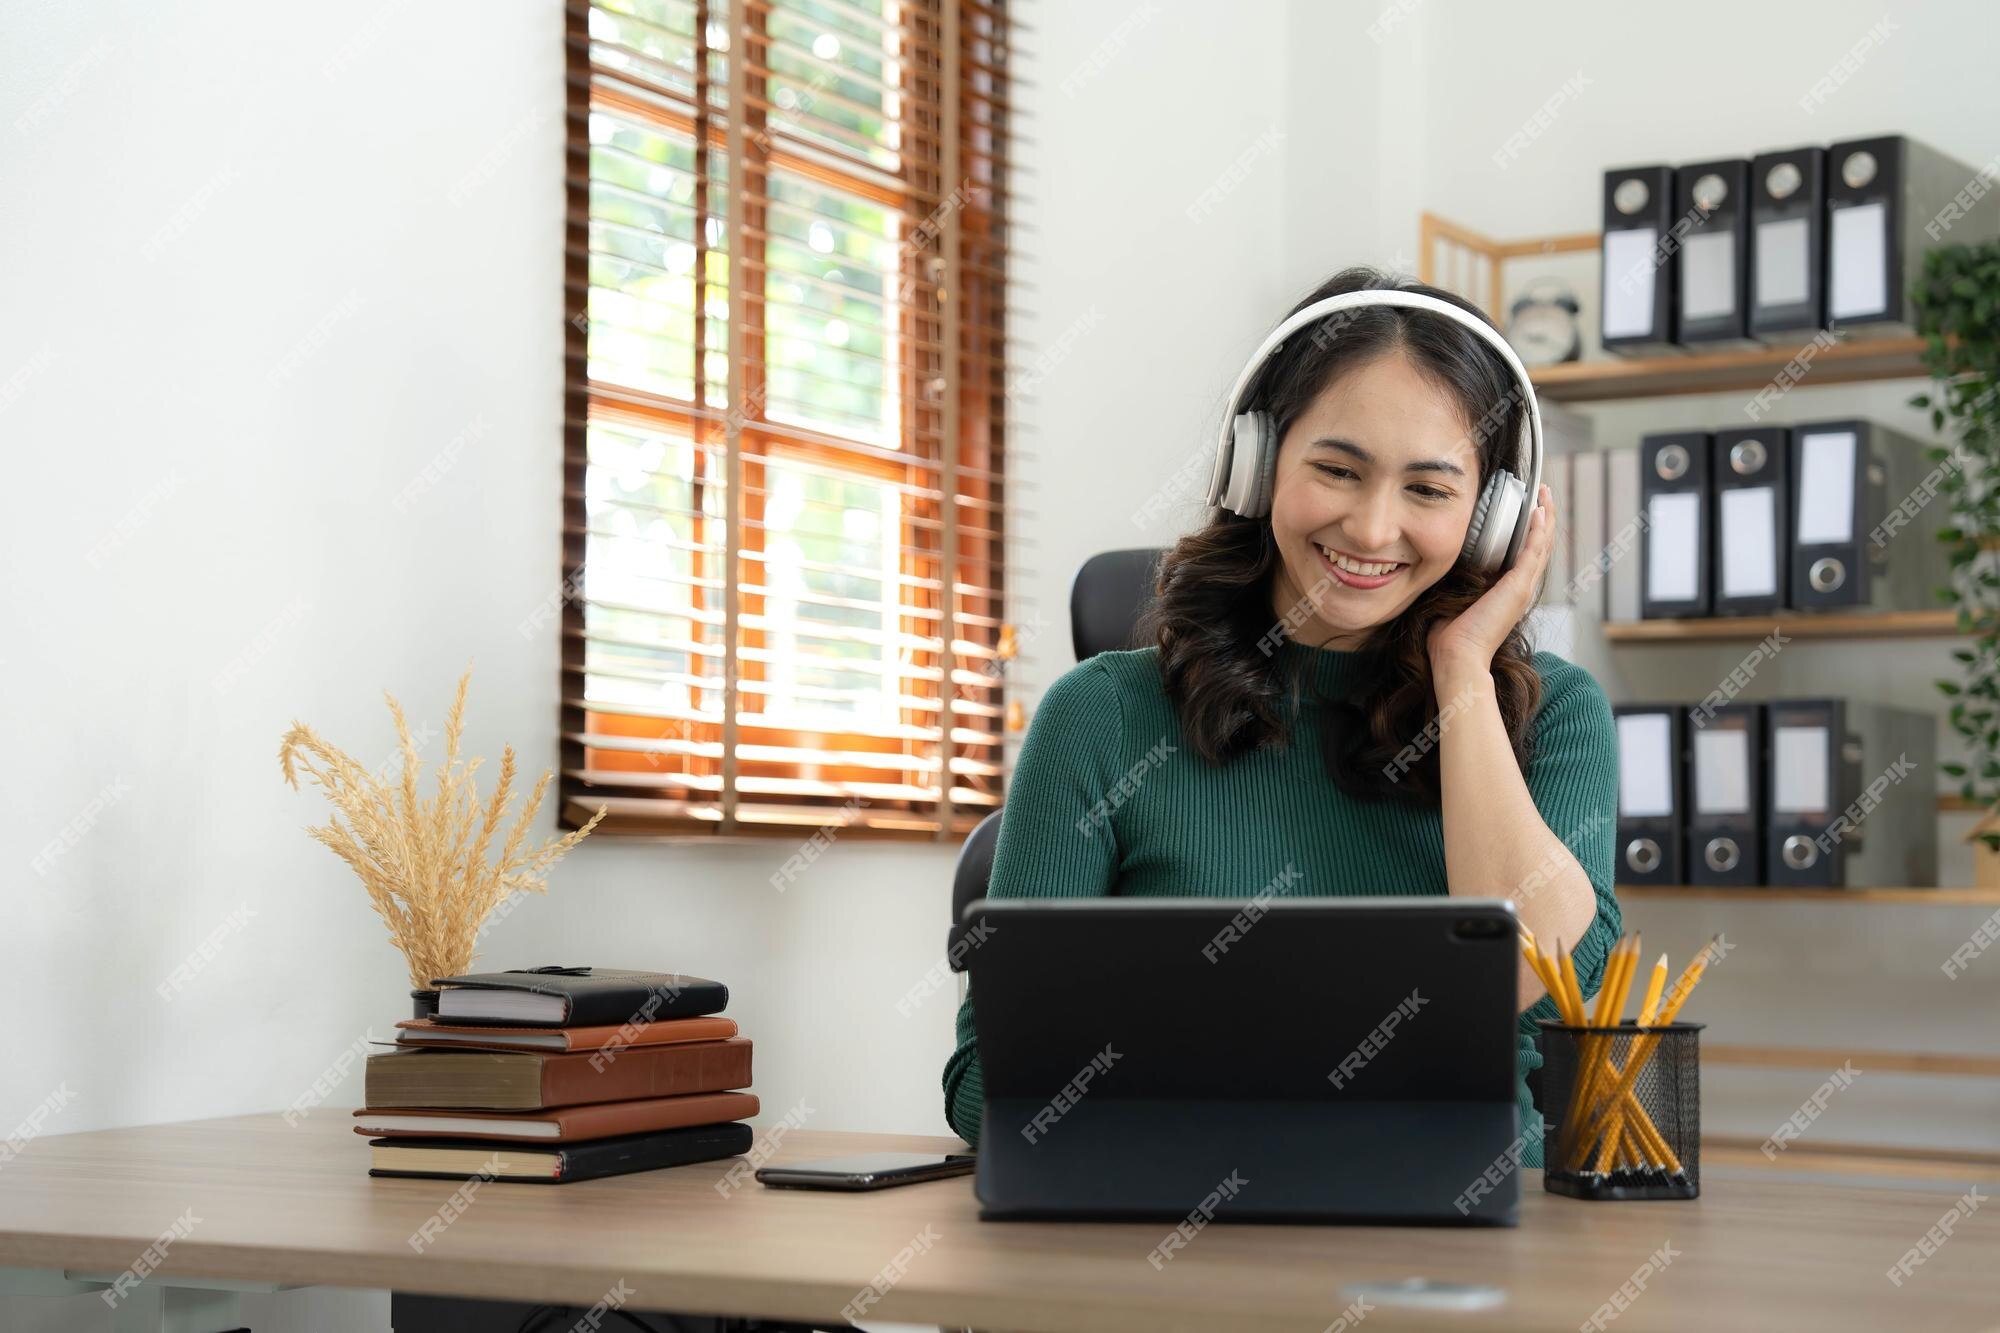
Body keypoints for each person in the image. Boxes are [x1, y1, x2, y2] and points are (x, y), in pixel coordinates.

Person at [941, 267, 1621, 1168]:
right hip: (1162, 1246)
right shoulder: (1100, 716)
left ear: (1491, 518)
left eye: (1429, 489)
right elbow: (990, 1081)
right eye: (1337, 470)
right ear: (1255, 464)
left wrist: (1461, 672)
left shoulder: (1555, 716)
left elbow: (1552, 974)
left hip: (1457, 1240)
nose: (1374, 530)